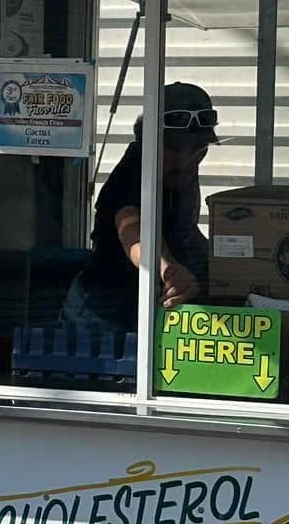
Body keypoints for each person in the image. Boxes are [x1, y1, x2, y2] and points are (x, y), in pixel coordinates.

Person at [62, 82, 219, 335]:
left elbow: (185, 229)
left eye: (197, 149)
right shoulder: (135, 171)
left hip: (146, 303)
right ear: (150, 141)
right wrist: (168, 269)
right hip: (101, 312)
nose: (186, 159)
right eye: (174, 149)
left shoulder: (181, 170)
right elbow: (133, 231)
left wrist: (225, 263)